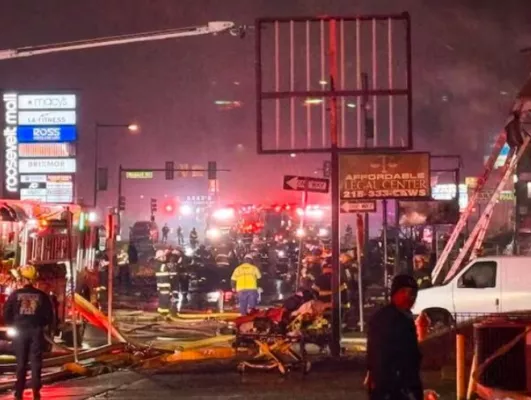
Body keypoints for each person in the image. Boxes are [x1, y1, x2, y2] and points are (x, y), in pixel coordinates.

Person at [366, 274, 423, 400]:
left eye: (412, 293)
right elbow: (380, 356)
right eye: (404, 291)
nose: (409, 296)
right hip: (392, 387)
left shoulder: (405, 317)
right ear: (394, 294)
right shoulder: (385, 319)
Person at [4, 265, 54, 400]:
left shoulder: (15, 295)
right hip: (36, 332)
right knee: (36, 362)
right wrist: (40, 325)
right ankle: (36, 391)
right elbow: (49, 316)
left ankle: (19, 392)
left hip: (20, 332)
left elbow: (6, 313)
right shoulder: (42, 296)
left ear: (23, 278)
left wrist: (12, 324)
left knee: (21, 363)